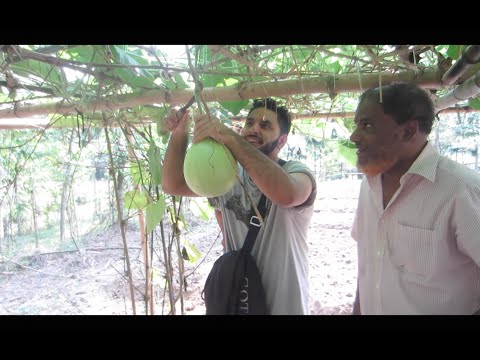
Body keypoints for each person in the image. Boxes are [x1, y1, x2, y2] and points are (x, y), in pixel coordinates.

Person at [162, 98, 317, 315]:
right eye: (250, 123)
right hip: (240, 303)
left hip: (285, 306)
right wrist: (179, 133)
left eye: (265, 125)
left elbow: (286, 193)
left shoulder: (297, 172)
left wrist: (229, 136)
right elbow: (173, 184)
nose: (254, 129)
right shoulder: (229, 175)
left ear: (282, 142)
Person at [350, 82, 480, 315]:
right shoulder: (367, 187)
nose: (353, 137)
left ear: (408, 131)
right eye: (356, 125)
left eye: (366, 125)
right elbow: (369, 267)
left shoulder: (461, 190)